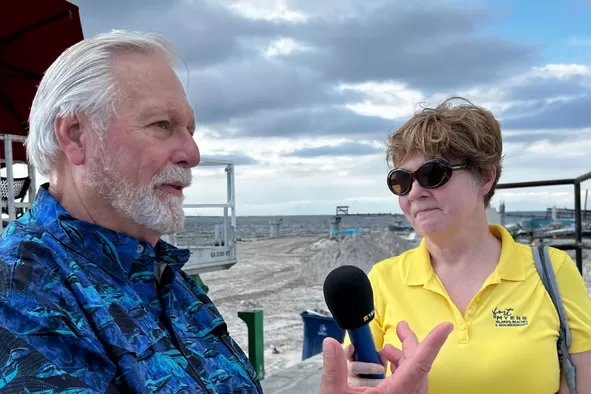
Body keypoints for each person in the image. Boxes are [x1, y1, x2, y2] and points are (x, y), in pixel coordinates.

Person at [0, 29, 452, 394]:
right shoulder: (19, 295)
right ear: (76, 136)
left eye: (191, 129)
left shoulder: (163, 274)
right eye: (162, 125)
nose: (193, 153)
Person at [344, 97, 591, 394]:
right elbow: (358, 381)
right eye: (401, 181)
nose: (415, 192)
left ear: (485, 177)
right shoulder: (382, 280)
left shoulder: (551, 270)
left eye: (432, 174)